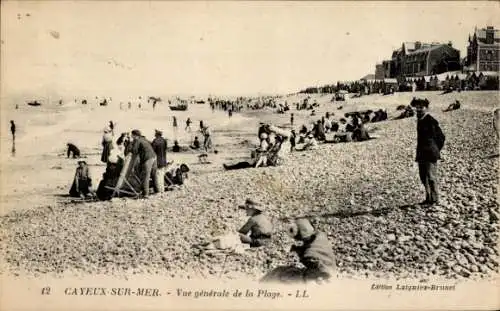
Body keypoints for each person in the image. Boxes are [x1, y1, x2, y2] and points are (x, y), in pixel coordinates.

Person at [411, 98, 445, 206]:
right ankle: (428, 197)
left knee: (431, 176)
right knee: (423, 176)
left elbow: (441, 137)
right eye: (417, 108)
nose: (419, 110)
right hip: (421, 153)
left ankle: (435, 199)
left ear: (426, 108)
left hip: (430, 153)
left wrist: (435, 149)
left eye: (421, 107)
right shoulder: (420, 120)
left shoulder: (430, 120)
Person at [287, 218, 335, 282]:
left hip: (324, 272)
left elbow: (308, 257)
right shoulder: (320, 236)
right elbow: (309, 246)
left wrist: (298, 252)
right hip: (332, 265)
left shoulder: (308, 254)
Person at [130, 129, 158, 197]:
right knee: (154, 175)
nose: (131, 136)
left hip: (148, 158)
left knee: (145, 176)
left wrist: (130, 146)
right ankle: (157, 190)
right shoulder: (144, 139)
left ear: (134, 135)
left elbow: (134, 151)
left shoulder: (138, 140)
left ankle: (146, 194)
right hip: (154, 157)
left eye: (132, 135)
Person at [151, 130, 167, 194]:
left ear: (157, 134)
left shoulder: (155, 141)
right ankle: (162, 189)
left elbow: (152, 151)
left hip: (157, 161)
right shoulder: (164, 140)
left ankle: (158, 191)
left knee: (157, 176)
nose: (154, 134)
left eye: (155, 133)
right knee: (161, 175)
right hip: (163, 160)